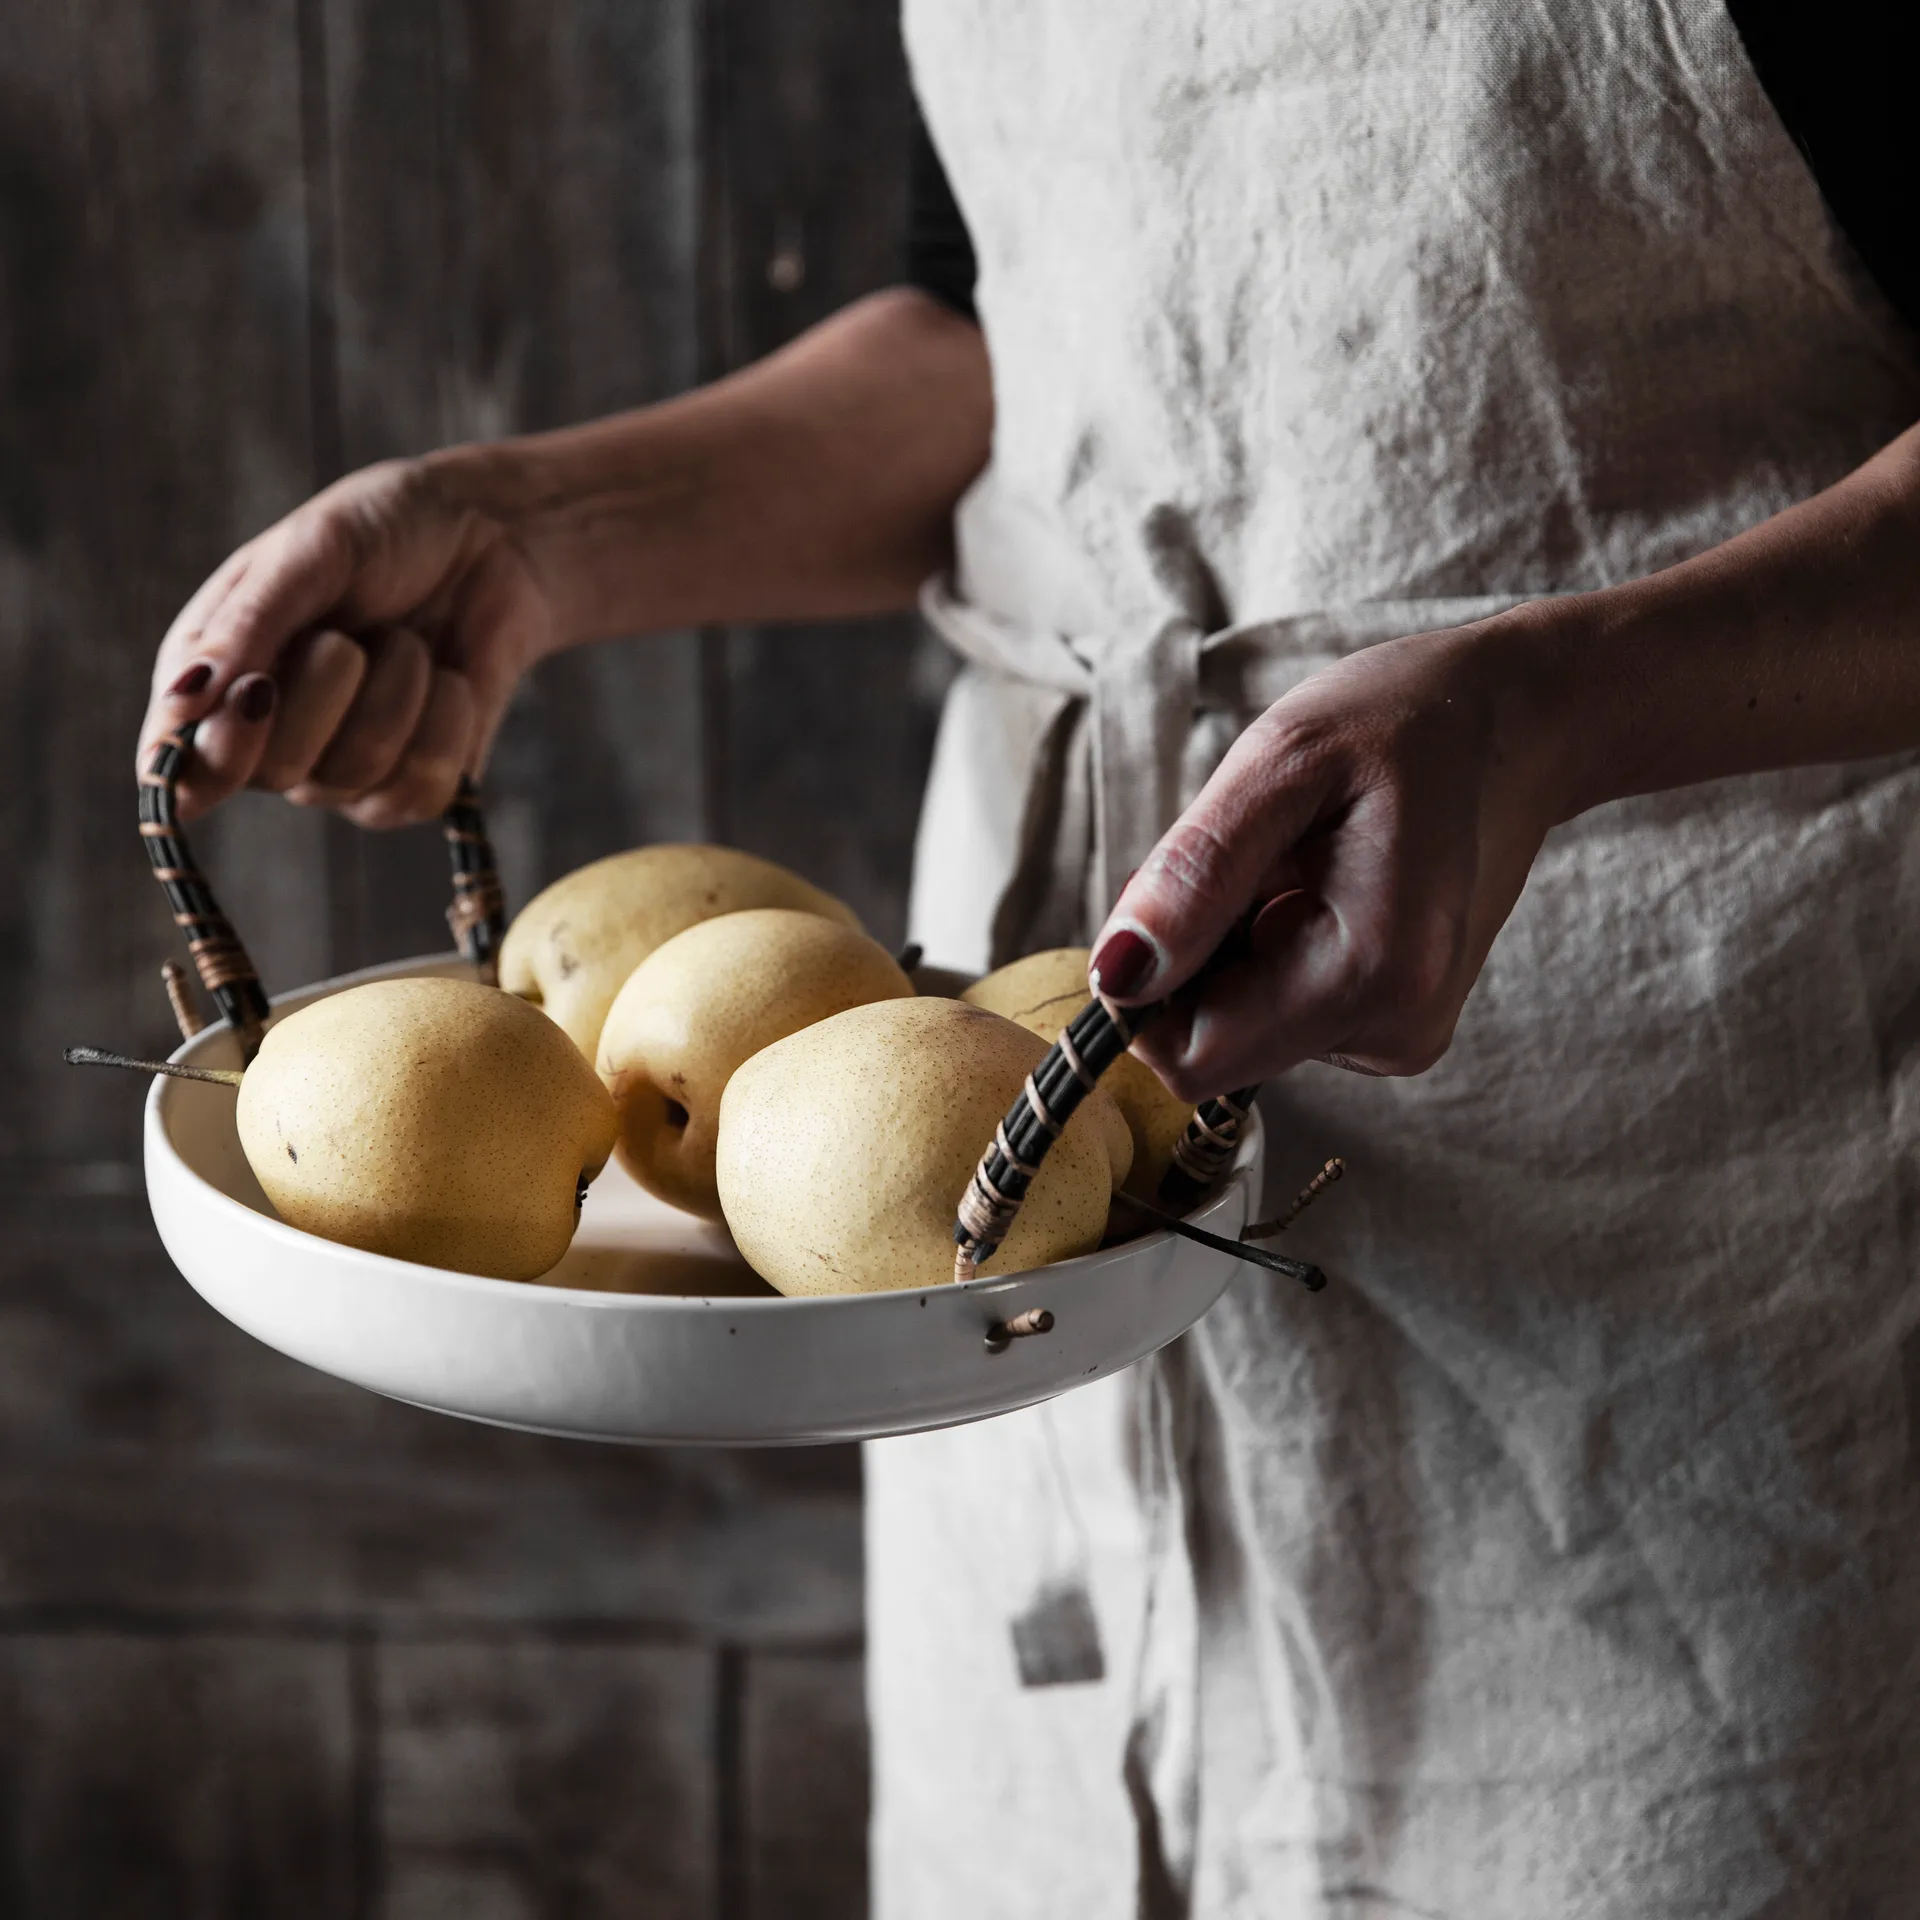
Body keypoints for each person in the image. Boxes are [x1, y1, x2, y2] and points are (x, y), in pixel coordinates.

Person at [139, 3, 1920, 1912]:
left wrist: (1563, 704)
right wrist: (530, 536)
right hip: (980, 1208)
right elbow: (1019, 326)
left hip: (1658, 1125)